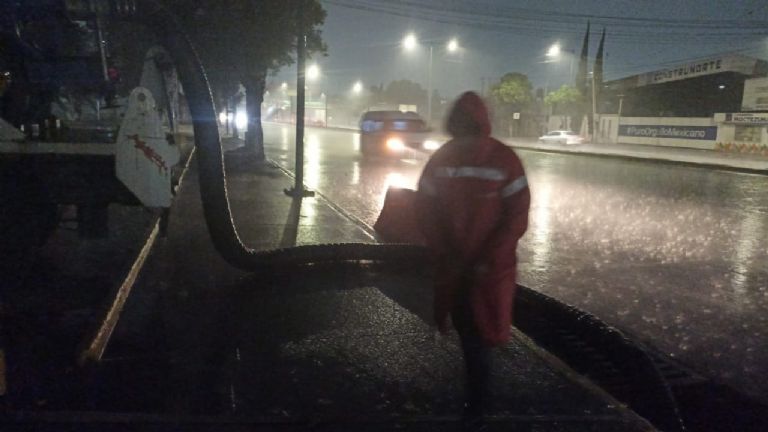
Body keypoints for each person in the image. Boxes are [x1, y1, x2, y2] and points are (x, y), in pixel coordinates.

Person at [415, 91, 530, 426]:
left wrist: (443, 250)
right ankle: (478, 403)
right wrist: (490, 257)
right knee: (483, 332)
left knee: (469, 329)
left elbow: (424, 210)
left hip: (456, 266)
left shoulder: (442, 158)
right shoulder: (504, 159)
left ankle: (477, 408)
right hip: (489, 270)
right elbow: (517, 215)